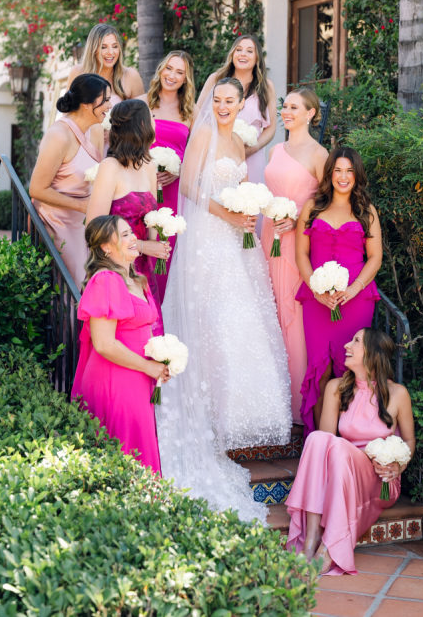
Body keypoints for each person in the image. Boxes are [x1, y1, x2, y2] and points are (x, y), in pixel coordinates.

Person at [157, 77, 292, 522]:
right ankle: (208, 413)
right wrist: (227, 214)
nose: (222, 106)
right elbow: (189, 188)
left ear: (240, 104)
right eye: (217, 100)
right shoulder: (203, 136)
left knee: (241, 321)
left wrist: (247, 215)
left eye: (230, 100)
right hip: (209, 237)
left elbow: (245, 184)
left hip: (238, 241)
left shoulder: (240, 141)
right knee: (212, 319)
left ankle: (236, 415)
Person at [286, 328, 415, 575]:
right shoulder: (336, 387)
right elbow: (323, 446)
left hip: (378, 479)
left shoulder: (398, 394)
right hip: (343, 471)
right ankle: (311, 539)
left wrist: (398, 466)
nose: (347, 345)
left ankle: (328, 548)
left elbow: (409, 441)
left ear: (373, 353)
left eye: (356, 341)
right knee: (318, 439)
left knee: (335, 447)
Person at [71, 215, 170, 473]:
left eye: (131, 232)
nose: (133, 238)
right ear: (106, 247)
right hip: (115, 379)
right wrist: (147, 367)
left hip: (138, 378)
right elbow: (104, 344)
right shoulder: (106, 280)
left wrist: (160, 361)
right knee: (126, 454)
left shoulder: (137, 280)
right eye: (124, 235)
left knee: (139, 452)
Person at [295, 147, 382, 437]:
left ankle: (348, 439)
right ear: (330, 173)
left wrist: (355, 288)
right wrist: (316, 290)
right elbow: (301, 255)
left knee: (350, 370)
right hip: (317, 301)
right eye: (338, 171)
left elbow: (375, 258)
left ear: (357, 176)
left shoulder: (366, 211)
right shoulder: (312, 207)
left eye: (349, 171)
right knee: (319, 370)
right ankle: (321, 441)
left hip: (356, 300)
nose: (343, 177)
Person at [261, 88, 328, 422]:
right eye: (284, 106)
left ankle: (296, 407)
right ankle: (269, 402)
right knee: (267, 308)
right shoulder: (275, 150)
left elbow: (329, 202)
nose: (286, 112)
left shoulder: (320, 154)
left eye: (293, 107)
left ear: (310, 114)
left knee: (291, 313)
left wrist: (299, 217)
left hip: (295, 240)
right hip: (268, 235)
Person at [86, 100, 170, 334]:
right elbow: (94, 227)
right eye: (152, 118)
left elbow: (151, 218)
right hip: (116, 269)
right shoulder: (110, 167)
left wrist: (158, 239)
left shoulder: (149, 166)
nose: (155, 123)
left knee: (150, 338)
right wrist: (142, 246)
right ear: (141, 125)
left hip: (143, 271)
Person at [30, 73, 109, 289]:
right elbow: (36, 189)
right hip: (57, 221)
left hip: (85, 221)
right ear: (87, 104)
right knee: (75, 282)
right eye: (105, 100)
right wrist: (81, 205)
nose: (109, 105)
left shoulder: (96, 131)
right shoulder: (59, 135)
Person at [138, 50, 195, 298]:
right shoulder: (142, 103)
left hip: (173, 193)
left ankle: (161, 309)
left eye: (179, 72)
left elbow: (198, 154)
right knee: (141, 246)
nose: (172, 76)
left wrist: (179, 170)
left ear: (185, 79)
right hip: (142, 186)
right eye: (169, 69)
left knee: (167, 252)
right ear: (161, 69)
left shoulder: (190, 112)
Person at [196, 35, 277, 185]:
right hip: (218, 155)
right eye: (238, 49)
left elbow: (271, 128)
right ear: (232, 54)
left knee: (249, 196)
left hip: (252, 156)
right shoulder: (216, 79)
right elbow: (198, 115)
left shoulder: (266, 86)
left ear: (257, 57)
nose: (243, 54)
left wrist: (250, 150)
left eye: (249, 51)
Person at [67, 23, 144, 154]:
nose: (110, 52)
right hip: (82, 149)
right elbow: (68, 115)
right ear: (93, 49)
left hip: (118, 152)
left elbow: (142, 121)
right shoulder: (78, 73)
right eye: (104, 47)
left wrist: (116, 132)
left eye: (115, 46)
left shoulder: (131, 76)